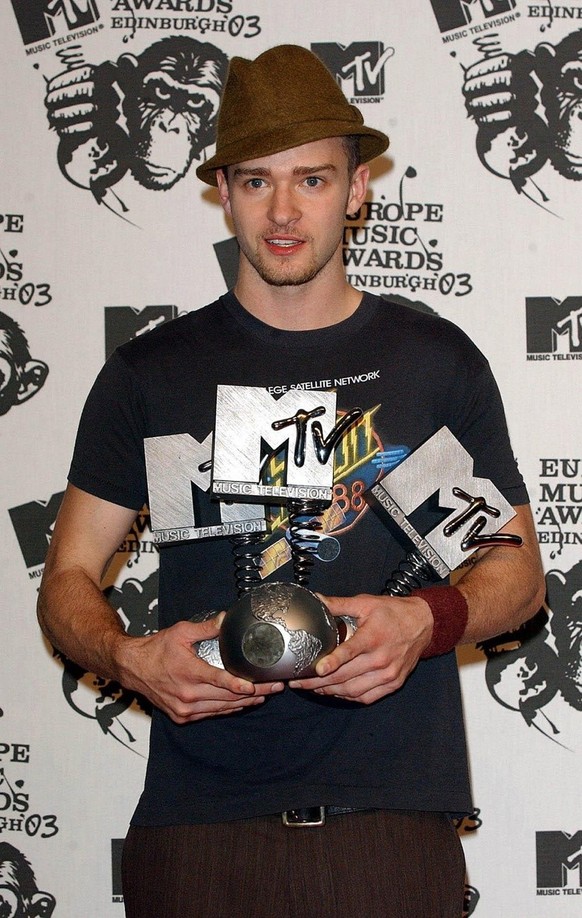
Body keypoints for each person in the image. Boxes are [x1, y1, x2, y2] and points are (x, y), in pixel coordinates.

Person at [37, 44, 545, 917]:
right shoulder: (152, 375)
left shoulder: (428, 367)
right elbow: (68, 581)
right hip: (198, 835)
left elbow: (516, 570)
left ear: (355, 191)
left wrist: (428, 618)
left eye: (311, 180)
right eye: (256, 180)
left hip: (386, 828)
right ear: (223, 191)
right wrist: (127, 656)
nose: (282, 210)